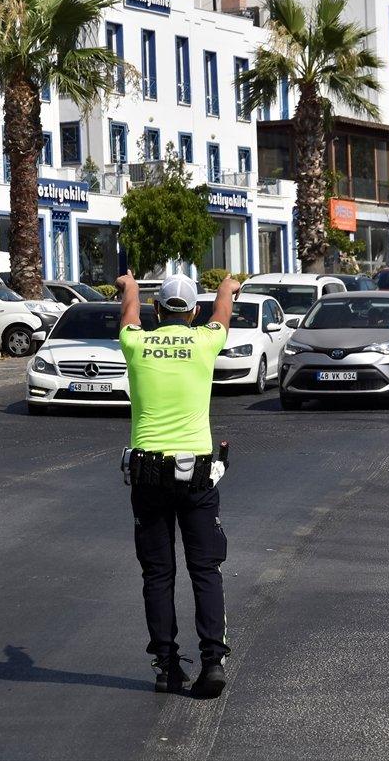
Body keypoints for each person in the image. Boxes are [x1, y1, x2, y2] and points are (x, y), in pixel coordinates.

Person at [117, 270, 239, 699]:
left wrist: (130, 286)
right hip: (196, 476)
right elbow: (223, 311)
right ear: (194, 311)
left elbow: (128, 310)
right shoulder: (207, 340)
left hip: (148, 476)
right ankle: (212, 663)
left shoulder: (136, 341)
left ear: (157, 309)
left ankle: (167, 667)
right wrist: (227, 288)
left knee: (158, 572)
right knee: (205, 568)